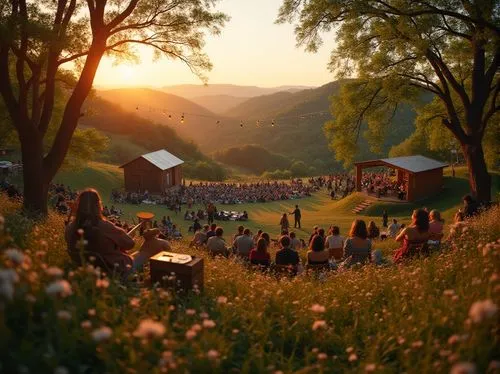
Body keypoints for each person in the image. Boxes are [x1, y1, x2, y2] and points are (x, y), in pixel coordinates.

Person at [65, 189, 134, 273]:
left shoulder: (69, 228)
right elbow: (130, 244)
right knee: (148, 247)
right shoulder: (105, 226)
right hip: (113, 269)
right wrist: (120, 231)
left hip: (85, 270)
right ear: (98, 205)